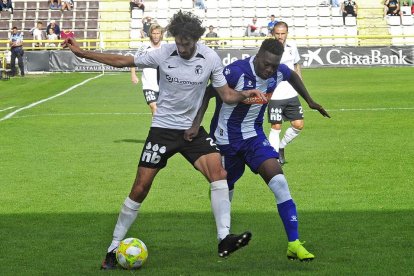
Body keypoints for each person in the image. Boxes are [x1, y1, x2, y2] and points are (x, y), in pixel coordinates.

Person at [62, 11, 267, 269]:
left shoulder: (210, 57)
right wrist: (84, 54)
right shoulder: (164, 53)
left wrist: (245, 94)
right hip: (162, 130)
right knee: (140, 188)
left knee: (219, 174)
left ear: (196, 40)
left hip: (191, 132)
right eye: (179, 42)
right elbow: (123, 61)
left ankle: (224, 238)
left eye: (187, 43)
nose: (182, 48)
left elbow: (226, 94)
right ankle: (113, 248)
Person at [186, 38, 330, 262]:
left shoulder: (278, 71)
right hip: (226, 141)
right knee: (225, 185)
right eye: (266, 64)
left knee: (280, 182)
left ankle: (293, 244)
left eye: (274, 66)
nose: (270, 70)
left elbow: (291, 75)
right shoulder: (235, 72)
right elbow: (208, 93)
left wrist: (309, 101)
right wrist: (196, 124)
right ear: (259, 55)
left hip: (254, 138)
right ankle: (223, 235)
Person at [267, 21, 304, 165]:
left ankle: (281, 146)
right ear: (273, 34)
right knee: (276, 126)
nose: (280, 36)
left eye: (283, 33)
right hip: (275, 94)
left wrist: (300, 84)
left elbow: (296, 65)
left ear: (287, 33)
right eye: (277, 33)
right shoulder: (267, 49)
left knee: (298, 124)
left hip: (291, 92)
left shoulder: (292, 47)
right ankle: (273, 158)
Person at [130, 23, 164, 115]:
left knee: (164, 111)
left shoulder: (165, 48)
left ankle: (158, 127)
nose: (156, 36)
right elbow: (134, 60)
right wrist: (133, 75)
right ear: (150, 34)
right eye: (154, 33)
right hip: (148, 84)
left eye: (158, 33)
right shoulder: (144, 47)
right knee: (154, 107)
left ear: (161, 35)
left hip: (164, 85)